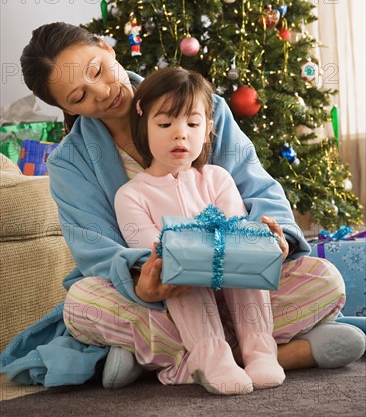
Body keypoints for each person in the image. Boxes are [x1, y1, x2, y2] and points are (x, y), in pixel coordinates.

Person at [1, 22, 364, 389]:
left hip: (240, 277)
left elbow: (257, 187)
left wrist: (273, 238)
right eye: (79, 97)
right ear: (66, 108)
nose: (102, 92)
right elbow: (95, 249)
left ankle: (173, 360)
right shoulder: (71, 161)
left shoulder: (202, 106)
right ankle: (273, 352)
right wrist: (148, 281)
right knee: (82, 304)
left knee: (325, 280)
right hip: (160, 297)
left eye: (97, 70)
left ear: (107, 48)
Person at [114, 67, 286, 395]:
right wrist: (190, 253)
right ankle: (212, 358)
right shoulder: (132, 195)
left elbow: (235, 230)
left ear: (208, 129)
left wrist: (261, 241)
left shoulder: (217, 178)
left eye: (192, 124)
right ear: (144, 126)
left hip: (231, 279)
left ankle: (261, 350)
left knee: (244, 254)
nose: (180, 135)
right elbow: (151, 250)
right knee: (178, 267)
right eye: (165, 124)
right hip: (181, 289)